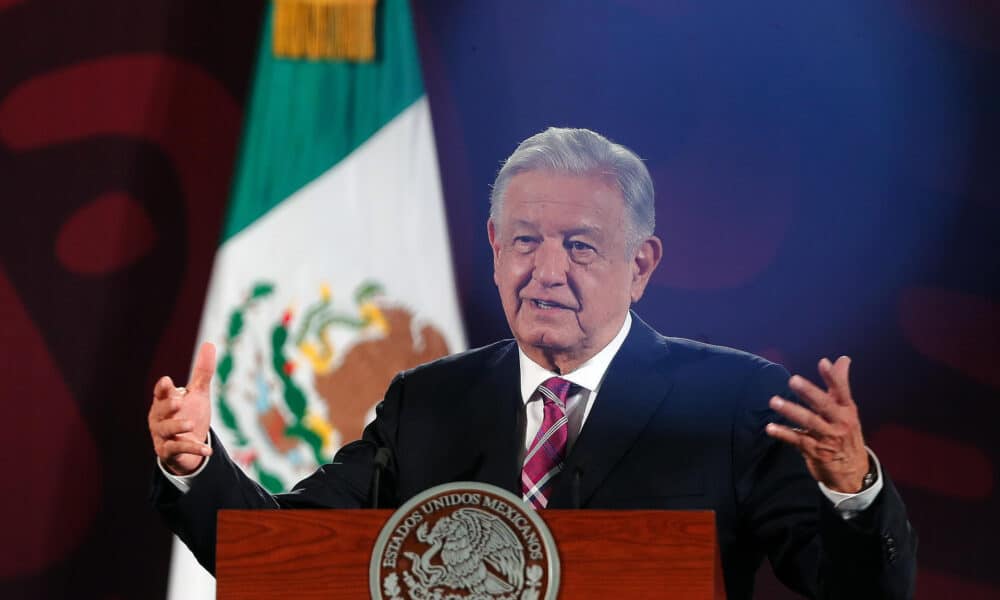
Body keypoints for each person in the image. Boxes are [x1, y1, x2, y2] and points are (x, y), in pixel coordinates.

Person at [149, 127, 917, 599]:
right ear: (493, 248)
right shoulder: (428, 402)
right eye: (524, 241)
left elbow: (859, 593)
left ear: (642, 264)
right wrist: (196, 464)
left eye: (579, 246)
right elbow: (286, 557)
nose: (546, 271)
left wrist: (852, 492)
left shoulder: (736, 399)